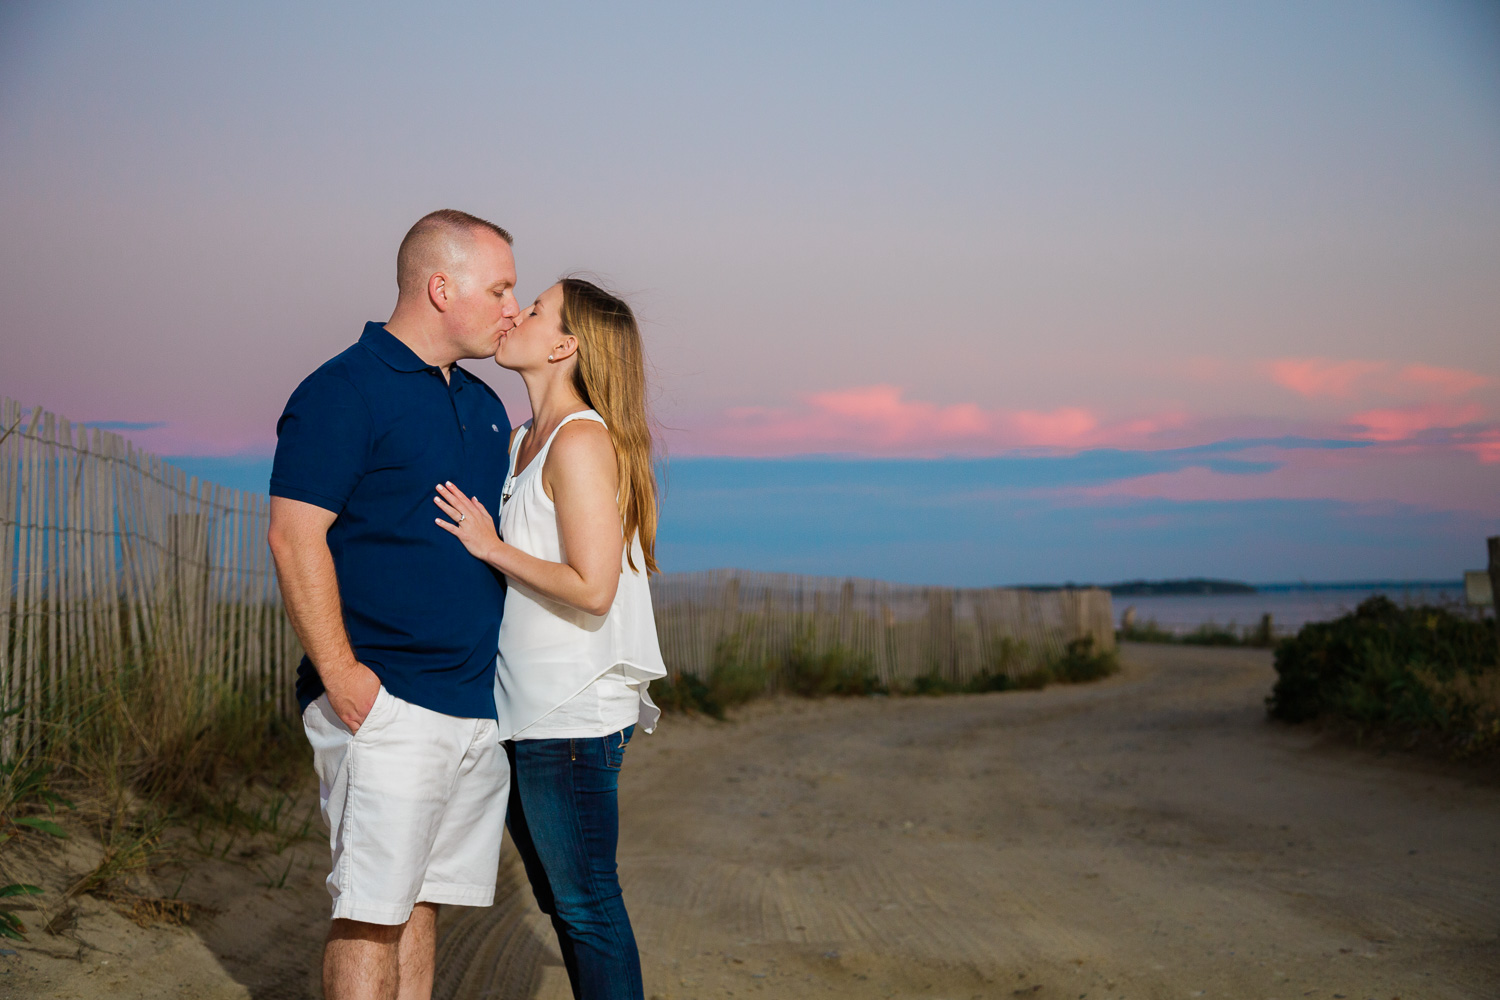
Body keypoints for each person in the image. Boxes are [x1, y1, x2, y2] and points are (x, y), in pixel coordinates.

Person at [268, 209, 519, 1000]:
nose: (513, 306)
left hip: (471, 707)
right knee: (371, 913)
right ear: (441, 288)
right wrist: (344, 677)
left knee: (419, 904)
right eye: (501, 288)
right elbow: (293, 535)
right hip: (385, 702)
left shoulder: (483, 405)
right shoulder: (343, 390)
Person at [433, 276, 667, 1000]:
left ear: (564, 344)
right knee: (568, 904)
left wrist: (488, 544)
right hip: (527, 709)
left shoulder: (580, 439)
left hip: (570, 713)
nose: (516, 315)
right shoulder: (525, 439)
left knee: (589, 907)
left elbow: (592, 587)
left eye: (534, 310)